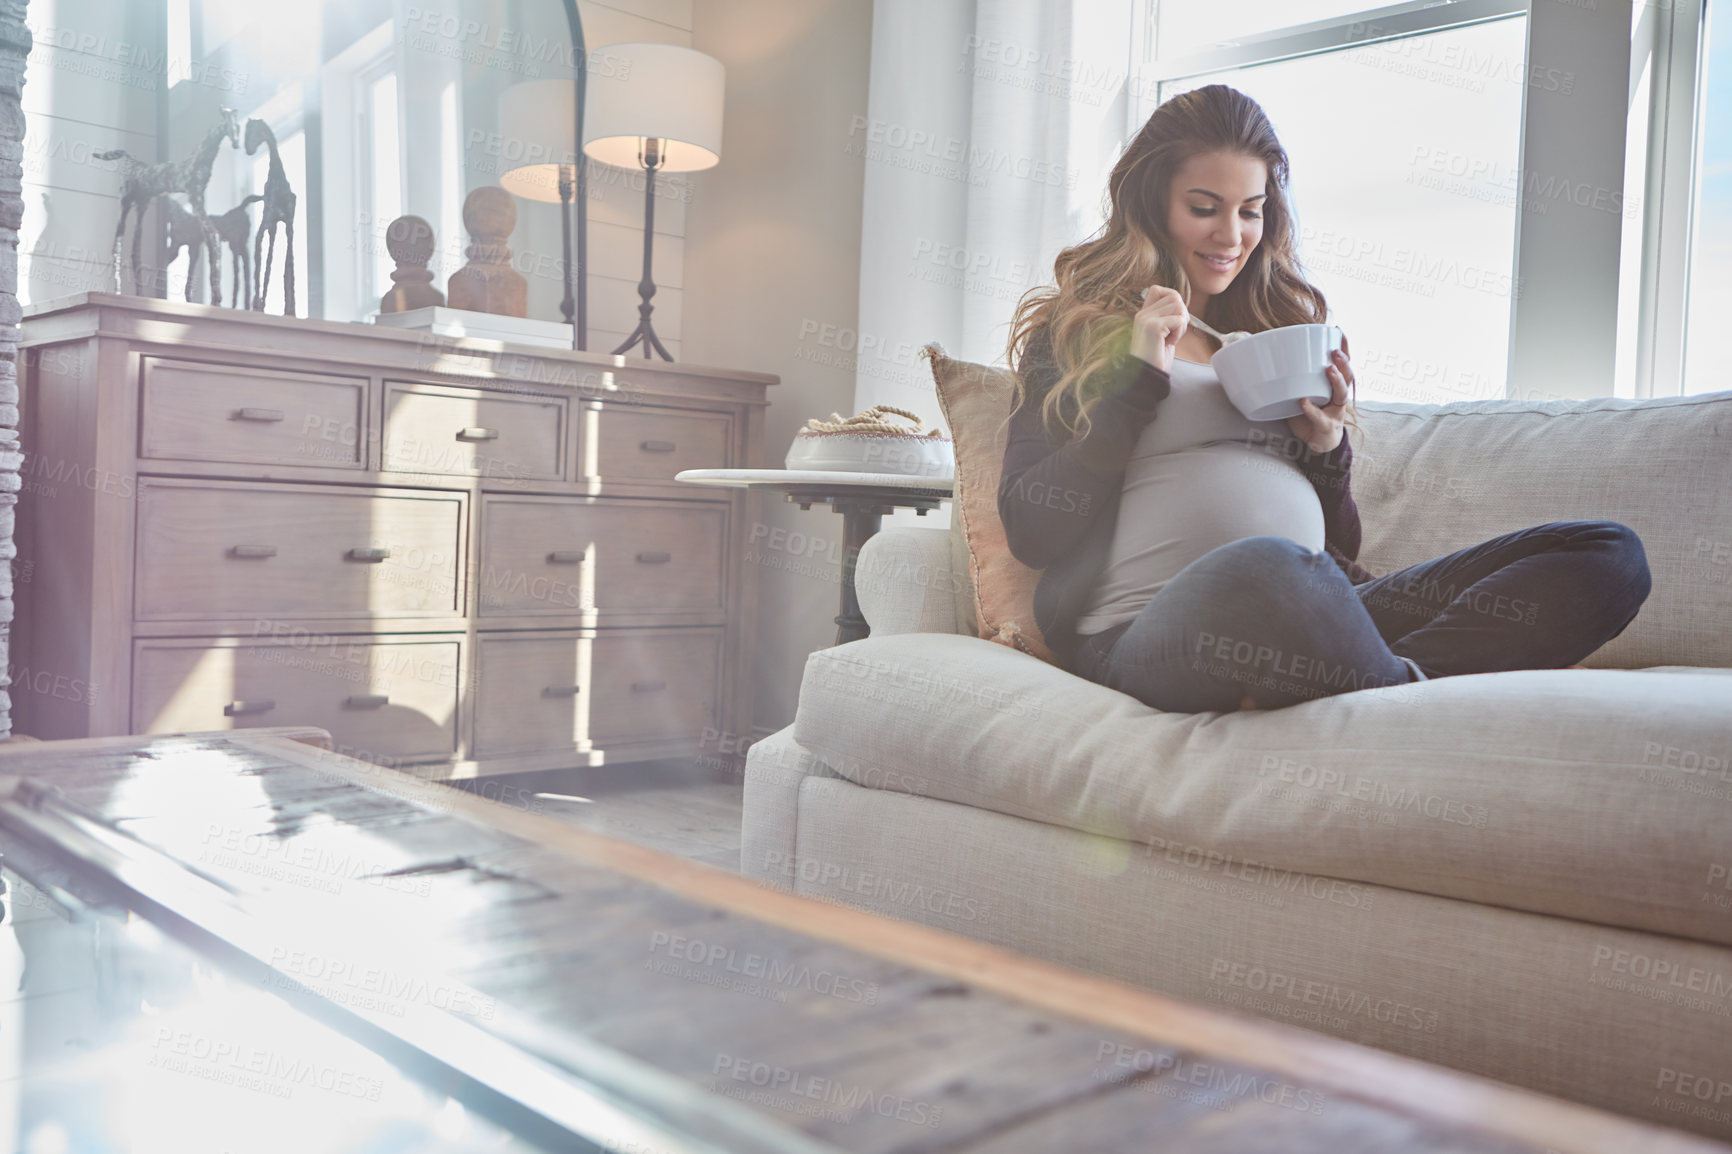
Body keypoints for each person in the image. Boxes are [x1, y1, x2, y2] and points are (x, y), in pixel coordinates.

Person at [997, 83, 1652, 713]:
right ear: (1151, 203)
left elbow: (1335, 554)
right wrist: (1136, 383)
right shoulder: (1082, 332)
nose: (1232, 235)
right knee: (1269, 569)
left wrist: (1326, 448)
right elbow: (1034, 529)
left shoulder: (1271, 337)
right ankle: (1391, 693)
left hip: (1310, 611)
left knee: (1607, 553)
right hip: (1149, 634)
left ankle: (1395, 689)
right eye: (1204, 207)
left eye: (1250, 210)